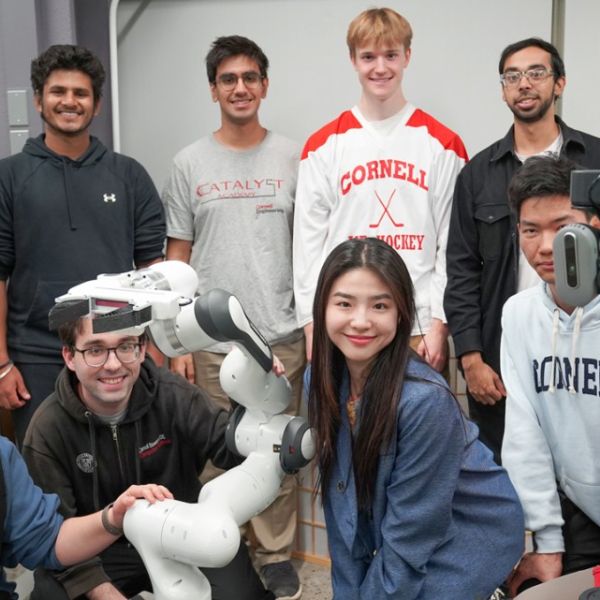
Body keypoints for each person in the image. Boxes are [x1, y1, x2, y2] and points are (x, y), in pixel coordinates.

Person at [162, 35, 303, 599]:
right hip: (208, 340)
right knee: (216, 452)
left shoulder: (296, 156)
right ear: (213, 89)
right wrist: (174, 343)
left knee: (278, 449)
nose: (240, 88)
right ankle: (224, 550)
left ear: (265, 85)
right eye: (228, 79)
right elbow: (177, 255)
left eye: (250, 77)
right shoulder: (188, 162)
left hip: (279, 334)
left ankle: (275, 556)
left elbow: (309, 249)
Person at [307, 237, 524, 599]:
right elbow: (340, 506)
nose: (360, 321)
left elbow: (411, 533)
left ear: (401, 313)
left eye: (379, 305)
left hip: (471, 530)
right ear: (322, 308)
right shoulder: (319, 380)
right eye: (344, 303)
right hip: (416, 525)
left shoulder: (424, 401)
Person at [21, 309, 274, 600]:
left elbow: (232, 450)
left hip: (181, 532)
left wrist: (252, 392)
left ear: (142, 349)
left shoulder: (174, 395)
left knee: (244, 595)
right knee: (51, 593)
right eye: (95, 350)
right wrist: (106, 595)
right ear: (69, 357)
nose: (113, 364)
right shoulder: (47, 429)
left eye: (126, 346)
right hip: (100, 549)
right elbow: (53, 535)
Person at [444, 38, 600, 463]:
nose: (524, 84)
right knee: (507, 485)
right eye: (512, 77)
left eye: (536, 73)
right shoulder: (477, 174)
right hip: (503, 358)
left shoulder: (596, 160)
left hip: (586, 353)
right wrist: (471, 359)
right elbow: (460, 271)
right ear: (502, 89)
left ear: (560, 83)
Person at [0, 44, 165, 445]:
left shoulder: (129, 175)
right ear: (39, 100)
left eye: (81, 93)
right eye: (58, 92)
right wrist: (2, 364)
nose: (69, 101)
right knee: (44, 476)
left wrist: (155, 350)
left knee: (122, 466)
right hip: (36, 355)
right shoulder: (9, 177)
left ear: (97, 105)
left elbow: (153, 272)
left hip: (117, 351)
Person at [293, 7, 467, 376]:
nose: (380, 68)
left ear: (407, 56)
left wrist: (439, 324)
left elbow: (451, 246)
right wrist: (312, 327)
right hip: (344, 327)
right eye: (368, 56)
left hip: (416, 328)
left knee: (421, 429)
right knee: (343, 431)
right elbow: (307, 248)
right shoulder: (323, 146)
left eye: (391, 55)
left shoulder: (443, 144)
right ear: (352, 60)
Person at [500, 155, 600, 596]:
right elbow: (525, 433)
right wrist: (547, 540)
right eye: (530, 230)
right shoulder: (519, 314)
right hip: (578, 511)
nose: (545, 246)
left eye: (562, 227)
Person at [0, 433, 171, 599]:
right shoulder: (47, 430)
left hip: (148, 545)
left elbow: (45, 540)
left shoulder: (3, 455)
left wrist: (114, 518)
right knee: (51, 588)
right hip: (102, 560)